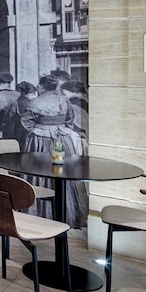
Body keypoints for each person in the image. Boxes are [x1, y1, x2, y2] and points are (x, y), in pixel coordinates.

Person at [21, 75, 89, 228]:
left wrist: (39, 130)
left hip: (40, 140)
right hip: (62, 141)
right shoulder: (64, 101)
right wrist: (59, 129)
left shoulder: (35, 102)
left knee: (40, 171)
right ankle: (65, 213)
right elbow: (70, 120)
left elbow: (26, 122)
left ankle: (40, 212)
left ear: (42, 86)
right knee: (61, 171)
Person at [0, 81, 36, 146]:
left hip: (15, 132)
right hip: (29, 132)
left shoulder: (13, 103)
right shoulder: (33, 103)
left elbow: (8, 119)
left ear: (22, 92)